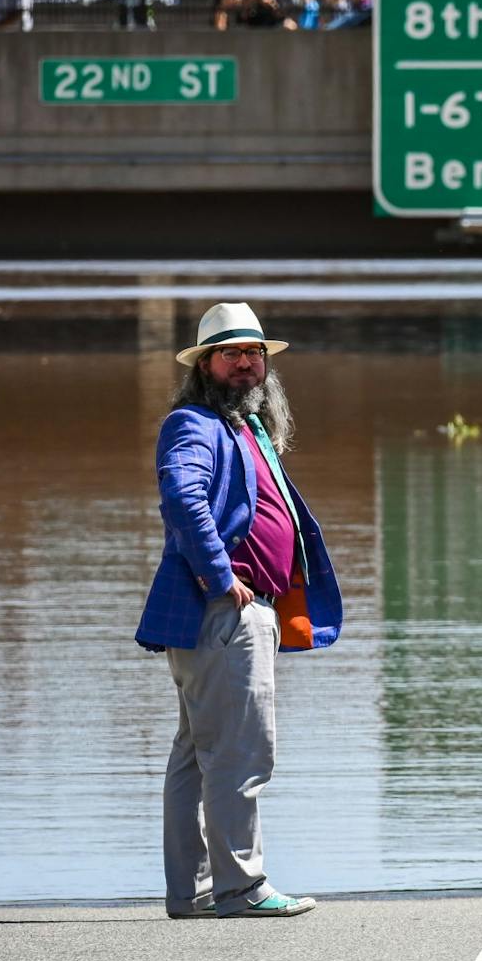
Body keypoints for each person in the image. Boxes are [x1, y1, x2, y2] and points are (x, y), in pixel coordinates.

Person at [135, 302, 343, 920]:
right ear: (205, 365)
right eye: (231, 354)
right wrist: (221, 576)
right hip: (226, 609)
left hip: (236, 610)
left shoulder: (245, 429)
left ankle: (195, 892)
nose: (246, 364)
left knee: (199, 752)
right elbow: (182, 495)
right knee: (240, 752)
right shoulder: (194, 424)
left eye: (254, 354)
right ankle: (242, 888)